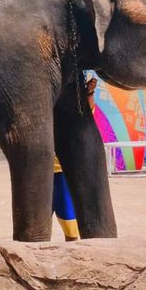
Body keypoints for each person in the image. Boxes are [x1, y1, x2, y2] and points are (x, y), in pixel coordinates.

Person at [53, 73, 98, 241]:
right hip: (39, 171)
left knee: (69, 221)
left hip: (62, 170)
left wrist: (89, 93)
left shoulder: (70, 106)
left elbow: (88, 112)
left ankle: (73, 255)